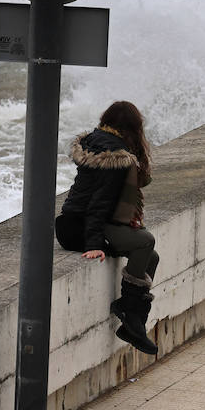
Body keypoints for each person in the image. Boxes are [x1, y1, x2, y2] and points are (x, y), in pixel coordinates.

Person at [55, 101, 160, 356]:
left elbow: (138, 181)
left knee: (151, 258)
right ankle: (128, 310)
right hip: (80, 228)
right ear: (132, 128)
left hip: (72, 222)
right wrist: (93, 245)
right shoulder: (116, 157)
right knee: (145, 241)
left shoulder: (97, 141)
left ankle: (133, 323)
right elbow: (98, 204)